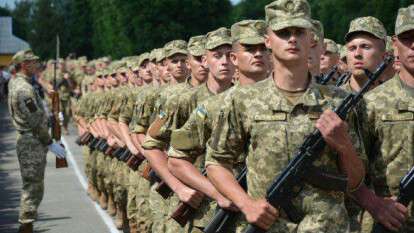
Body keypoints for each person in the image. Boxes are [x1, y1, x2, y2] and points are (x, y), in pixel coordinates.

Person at [205, 0, 366, 232]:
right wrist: (246, 204)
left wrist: (345, 146)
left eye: (299, 31)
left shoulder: (339, 101)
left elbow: (355, 180)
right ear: (268, 40)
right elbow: (216, 162)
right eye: (283, 32)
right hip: (269, 226)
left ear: (311, 38)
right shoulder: (242, 100)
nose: (292, 38)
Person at [168, 19, 270, 232]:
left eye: (263, 48)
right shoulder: (213, 107)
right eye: (250, 49)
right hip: (226, 215)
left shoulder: (294, 104)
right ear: (236, 58)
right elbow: (176, 159)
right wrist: (218, 193)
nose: (258, 54)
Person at [359, 5, 414, 232]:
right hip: (390, 223)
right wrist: (374, 204)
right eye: (407, 38)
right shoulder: (371, 102)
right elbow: (350, 172)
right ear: (394, 44)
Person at [7, 50, 67, 233]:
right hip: (31, 140)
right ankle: (26, 225)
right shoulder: (24, 89)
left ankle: (27, 224)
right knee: (33, 186)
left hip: (31, 139)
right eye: (32, 62)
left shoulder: (19, 83)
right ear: (24, 65)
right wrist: (49, 142)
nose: (36, 65)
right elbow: (34, 119)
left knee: (33, 184)